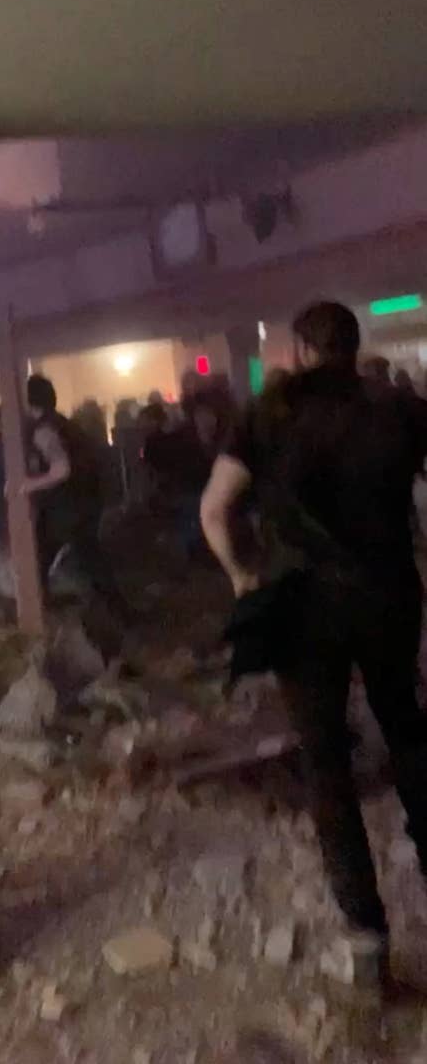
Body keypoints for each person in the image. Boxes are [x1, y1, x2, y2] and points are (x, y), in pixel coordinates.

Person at [201, 301, 427, 976]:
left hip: (303, 607)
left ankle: (366, 937)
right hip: (389, 592)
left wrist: (244, 575)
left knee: (325, 758)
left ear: (299, 349)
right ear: (353, 348)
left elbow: (215, 509)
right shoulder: (401, 407)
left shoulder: (268, 414)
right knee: (409, 730)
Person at [20, 374, 128, 620]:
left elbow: (62, 469)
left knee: (43, 554)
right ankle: (119, 611)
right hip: (85, 501)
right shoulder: (62, 423)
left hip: (69, 506)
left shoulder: (44, 430)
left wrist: (29, 485)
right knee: (87, 556)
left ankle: (42, 609)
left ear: (28, 402)